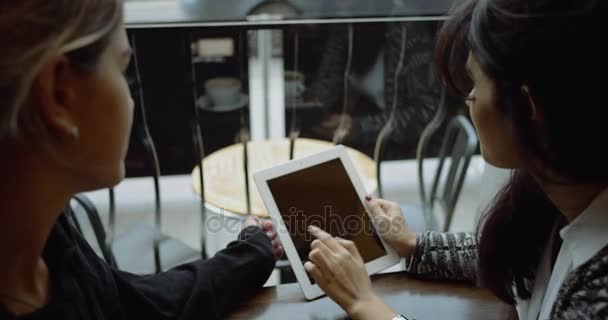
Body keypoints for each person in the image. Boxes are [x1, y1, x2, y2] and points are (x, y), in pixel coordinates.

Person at [304, 0, 608, 319]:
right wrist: (411, 243)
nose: (468, 99)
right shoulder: (558, 201)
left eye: (475, 84)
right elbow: (505, 255)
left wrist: (364, 304)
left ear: (528, 105)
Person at [0, 1, 283, 319]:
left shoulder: (50, 246)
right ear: (58, 94)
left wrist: (253, 251)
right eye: (124, 72)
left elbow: (135, 304)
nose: (132, 100)